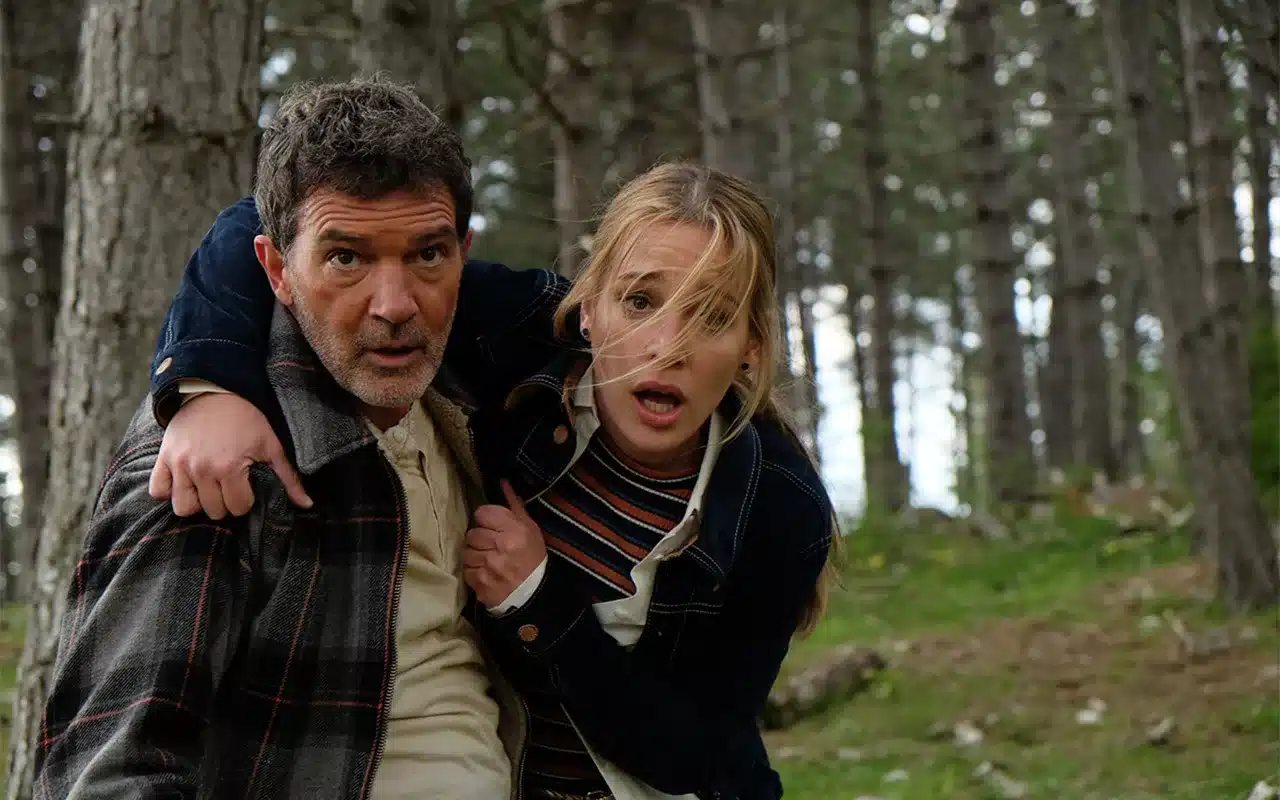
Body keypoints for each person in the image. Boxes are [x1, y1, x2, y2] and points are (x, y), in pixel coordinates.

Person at [146, 163, 841, 799]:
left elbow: (698, 754)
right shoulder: (518, 335)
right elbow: (270, 223)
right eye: (639, 301)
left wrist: (539, 602)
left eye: (712, 315)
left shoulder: (779, 505)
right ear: (589, 306)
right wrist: (207, 387)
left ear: (751, 348)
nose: (668, 346)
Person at [33, 77, 521, 799]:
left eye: (427, 255)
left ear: (463, 253)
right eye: (346, 258)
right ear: (275, 269)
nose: (395, 306)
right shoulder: (215, 472)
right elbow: (108, 777)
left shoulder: (476, 398)